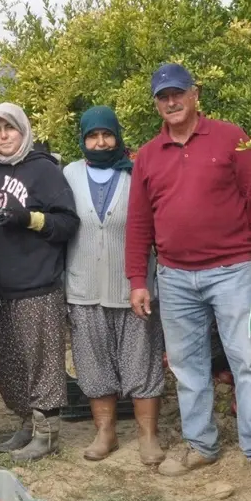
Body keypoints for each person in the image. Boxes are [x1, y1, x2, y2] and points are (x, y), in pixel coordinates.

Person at [126, 62, 251, 492]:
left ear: (194, 94)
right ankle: (201, 444)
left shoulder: (231, 137)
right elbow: (139, 224)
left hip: (232, 271)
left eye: (178, 93)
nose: (171, 102)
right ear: (156, 104)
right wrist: (137, 280)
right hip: (175, 277)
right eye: (163, 97)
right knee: (187, 367)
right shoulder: (146, 156)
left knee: (247, 361)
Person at [64, 105, 166, 464]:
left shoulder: (136, 171)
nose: (101, 141)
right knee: (93, 364)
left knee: (142, 361)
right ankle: (105, 432)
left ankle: (147, 435)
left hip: (132, 286)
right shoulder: (69, 174)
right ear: (83, 138)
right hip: (83, 286)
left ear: (117, 136)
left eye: (107, 134)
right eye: (93, 135)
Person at [0, 103, 79, 461]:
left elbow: (68, 223)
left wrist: (29, 219)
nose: (3, 136)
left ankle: (47, 432)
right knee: (6, 364)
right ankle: (26, 421)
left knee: (41, 361)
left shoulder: (45, 171)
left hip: (38, 283)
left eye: (10, 128)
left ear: (24, 131)